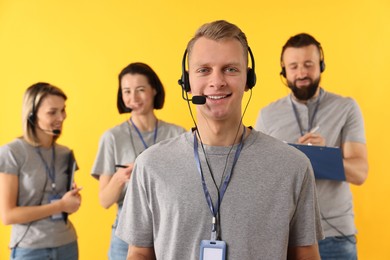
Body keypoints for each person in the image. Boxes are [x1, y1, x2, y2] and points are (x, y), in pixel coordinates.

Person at [116, 20, 323, 260]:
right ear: (187, 82)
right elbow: (140, 253)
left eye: (230, 69)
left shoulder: (293, 166)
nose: (217, 81)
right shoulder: (150, 165)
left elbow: (306, 255)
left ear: (249, 79)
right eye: (203, 70)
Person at [255, 33, 368, 259]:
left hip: (336, 236)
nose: (301, 73)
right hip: (286, 237)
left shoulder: (346, 107)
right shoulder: (267, 115)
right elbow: (259, 179)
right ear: (284, 72)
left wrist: (321, 156)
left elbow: (360, 173)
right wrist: (297, 158)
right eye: (294, 66)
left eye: (308, 64)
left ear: (321, 65)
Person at [91, 62, 185, 260]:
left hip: (170, 233)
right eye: (126, 91)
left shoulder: (178, 134)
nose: (133, 98)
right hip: (125, 238)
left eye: (140, 90)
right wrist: (121, 177)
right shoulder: (112, 138)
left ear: (154, 90)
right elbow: (104, 201)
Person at [0, 82, 82, 260]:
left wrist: (73, 201)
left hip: (67, 244)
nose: (61, 117)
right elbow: (7, 215)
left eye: (63, 110)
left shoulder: (65, 153)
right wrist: (60, 205)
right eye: (52, 112)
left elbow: (66, 202)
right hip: (30, 249)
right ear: (31, 115)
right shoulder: (12, 152)